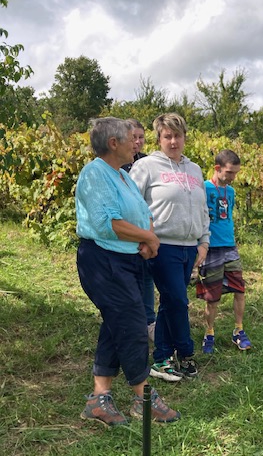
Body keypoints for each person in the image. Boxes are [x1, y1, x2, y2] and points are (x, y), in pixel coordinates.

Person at [76, 117, 179, 426]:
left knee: (115, 322)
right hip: (103, 261)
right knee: (133, 324)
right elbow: (108, 223)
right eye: (130, 137)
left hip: (127, 259)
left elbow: (141, 212)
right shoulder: (95, 174)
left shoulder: (122, 175)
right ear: (113, 143)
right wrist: (148, 238)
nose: (137, 142)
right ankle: (142, 395)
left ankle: (99, 399)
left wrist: (148, 238)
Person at [130, 113, 210, 381]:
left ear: (185, 137)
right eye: (167, 136)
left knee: (169, 301)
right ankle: (186, 353)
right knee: (177, 299)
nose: (173, 141)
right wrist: (144, 237)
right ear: (159, 139)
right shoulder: (147, 167)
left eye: (178, 135)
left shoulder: (195, 169)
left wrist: (204, 242)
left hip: (190, 248)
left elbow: (203, 209)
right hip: (161, 246)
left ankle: (163, 358)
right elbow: (133, 205)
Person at [196, 150, 252, 353]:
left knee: (239, 289)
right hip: (210, 248)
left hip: (230, 246)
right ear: (217, 168)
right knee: (212, 296)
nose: (232, 177)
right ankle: (209, 332)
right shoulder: (203, 188)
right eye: (229, 172)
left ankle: (238, 329)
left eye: (236, 173)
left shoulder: (231, 192)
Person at [121, 118, 156, 342]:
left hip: (146, 228)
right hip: (125, 231)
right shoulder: (117, 164)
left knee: (147, 277)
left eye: (141, 137)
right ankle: (130, 322)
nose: (137, 142)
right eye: (133, 137)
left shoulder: (148, 162)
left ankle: (149, 322)